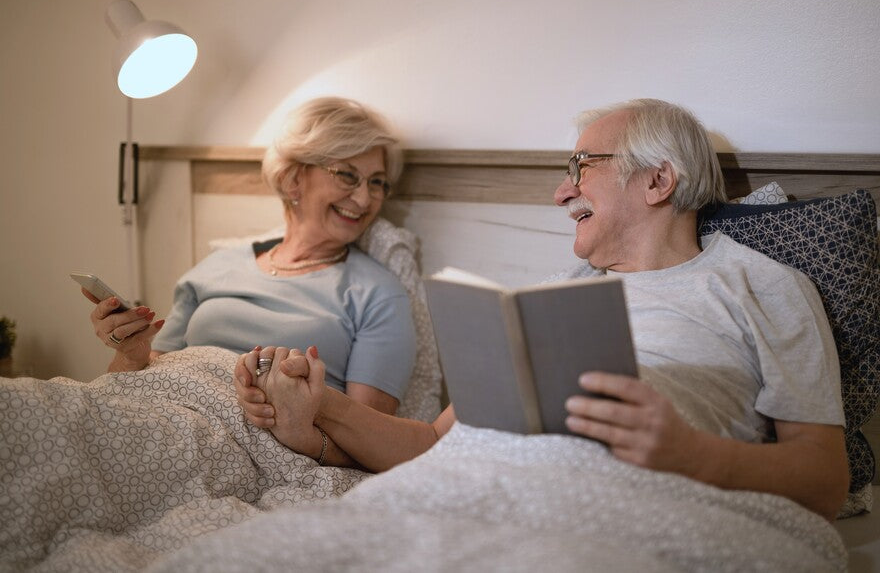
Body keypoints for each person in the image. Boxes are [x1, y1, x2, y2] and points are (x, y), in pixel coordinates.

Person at [235, 98, 849, 521]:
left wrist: (691, 455)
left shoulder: (764, 287)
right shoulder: (550, 298)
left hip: (634, 501)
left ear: (658, 181)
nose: (561, 192)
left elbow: (825, 483)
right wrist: (321, 408)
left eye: (582, 167)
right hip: (483, 492)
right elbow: (430, 445)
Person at [83, 96, 416, 417]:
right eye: (347, 175)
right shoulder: (217, 266)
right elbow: (135, 383)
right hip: (160, 415)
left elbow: (370, 435)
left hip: (247, 444)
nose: (363, 198)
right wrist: (130, 354)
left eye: (377, 183)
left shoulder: (378, 294)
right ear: (293, 179)